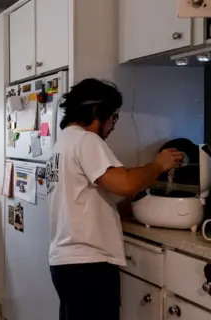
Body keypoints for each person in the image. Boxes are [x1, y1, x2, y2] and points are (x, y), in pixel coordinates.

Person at [46, 78, 183, 320]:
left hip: (66, 262)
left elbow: (84, 197)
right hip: (88, 265)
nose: (112, 126)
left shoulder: (63, 143)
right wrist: (159, 164)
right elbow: (126, 183)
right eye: (113, 117)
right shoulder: (86, 140)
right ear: (97, 111)